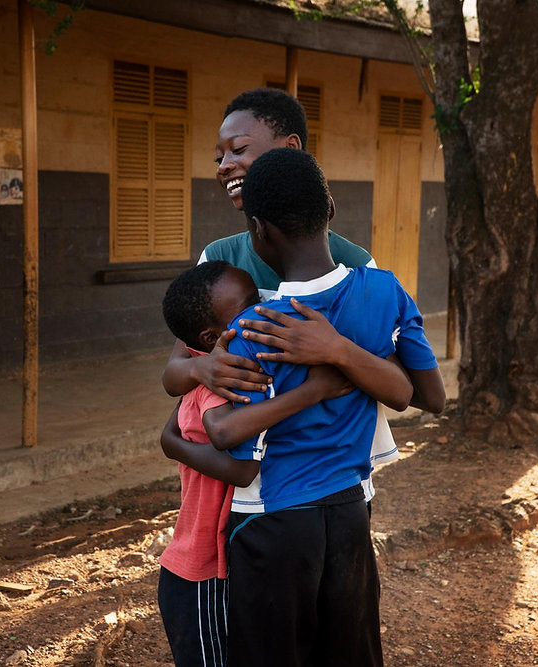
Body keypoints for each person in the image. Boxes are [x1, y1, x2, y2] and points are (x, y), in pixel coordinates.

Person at [160, 87, 445, 501]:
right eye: (218, 157)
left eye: (238, 149)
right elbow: (173, 374)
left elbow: (410, 389)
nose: (225, 165)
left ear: (290, 147)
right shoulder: (220, 261)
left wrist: (335, 349)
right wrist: (201, 371)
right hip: (250, 492)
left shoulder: (357, 268)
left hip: (336, 481)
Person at [218, 148, 440, 666]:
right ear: (331, 211)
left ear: (258, 230)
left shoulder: (255, 330)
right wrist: (348, 353)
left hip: (270, 521)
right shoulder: (387, 292)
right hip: (349, 513)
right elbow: (430, 396)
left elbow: (233, 444)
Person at [156, 260, 362, 667]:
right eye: (250, 303)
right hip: (204, 569)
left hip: (222, 560)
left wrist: (171, 442)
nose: (264, 304)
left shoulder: (210, 372)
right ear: (212, 337)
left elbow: (172, 432)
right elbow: (241, 467)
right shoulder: (223, 379)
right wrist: (312, 391)